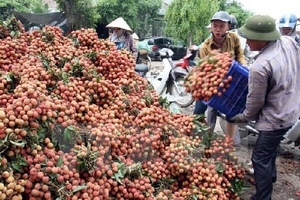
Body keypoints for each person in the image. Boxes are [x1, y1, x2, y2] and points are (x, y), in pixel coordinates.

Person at [230, 14, 300, 200]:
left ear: (263, 39)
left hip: (275, 118)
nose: (247, 41)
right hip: (292, 108)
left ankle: (263, 196)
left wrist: (243, 117)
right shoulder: (287, 42)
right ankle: (272, 177)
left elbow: (255, 103)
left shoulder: (260, 66)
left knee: (259, 157)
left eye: (250, 38)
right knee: (269, 149)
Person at [194, 11, 246, 144]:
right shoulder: (205, 46)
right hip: (213, 80)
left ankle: (232, 141)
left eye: (221, 26)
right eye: (215, 26)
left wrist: (243, 66)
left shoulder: (234, 38)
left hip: (232, 78)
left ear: (228, 26)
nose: (218, 29)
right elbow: (207, 69)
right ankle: (207, 138)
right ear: (211, 27)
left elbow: (239, 54)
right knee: (211, 107)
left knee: (232, 108)